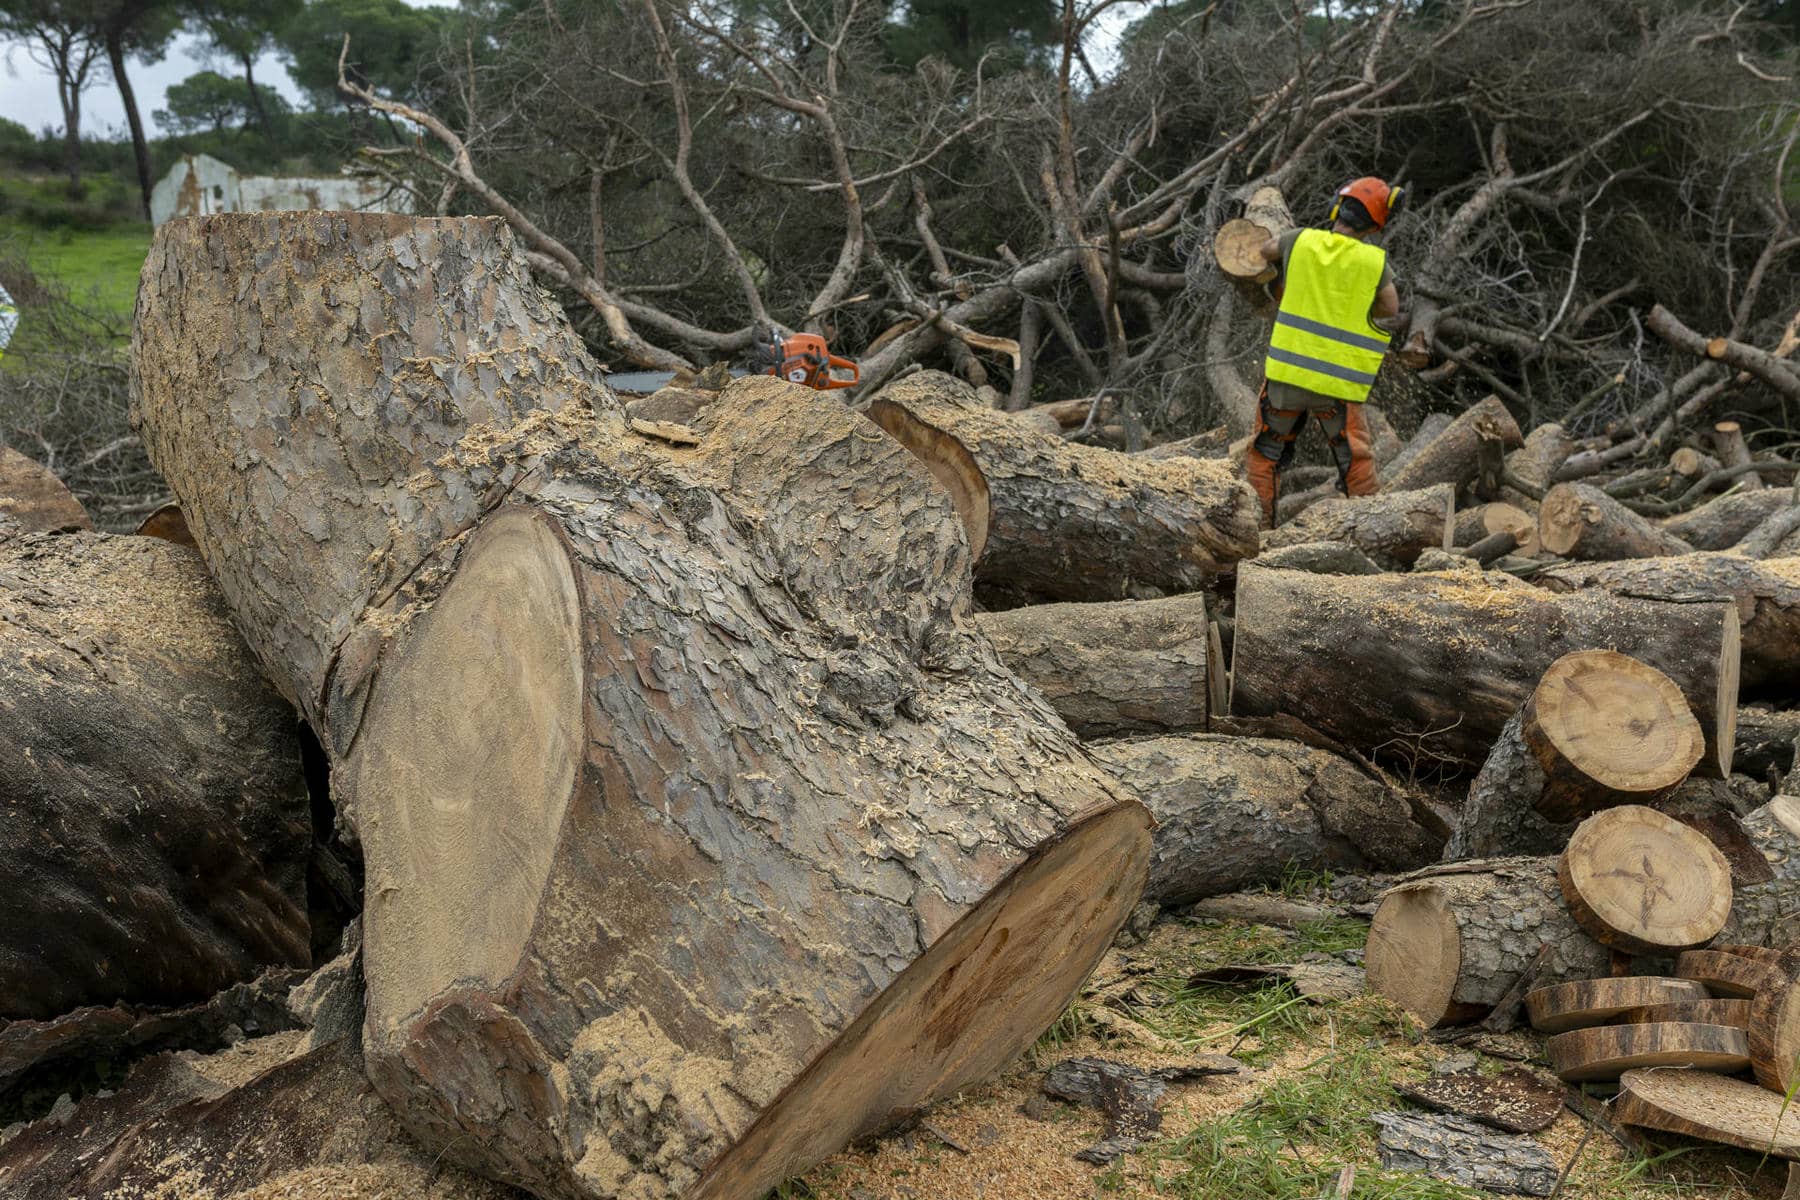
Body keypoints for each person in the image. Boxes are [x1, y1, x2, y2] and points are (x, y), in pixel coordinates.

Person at [1244, 176, 1403, 525]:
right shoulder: (1374, 261)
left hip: (1287, 379)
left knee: (1266, 453)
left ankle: (1253, 530)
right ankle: (1373, 529)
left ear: (1337, 209)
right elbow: (1391, 308)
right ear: (1375, 224)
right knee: (1355, 460)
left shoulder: (1301, 240)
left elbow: (1265, 250)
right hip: (1339, 389)